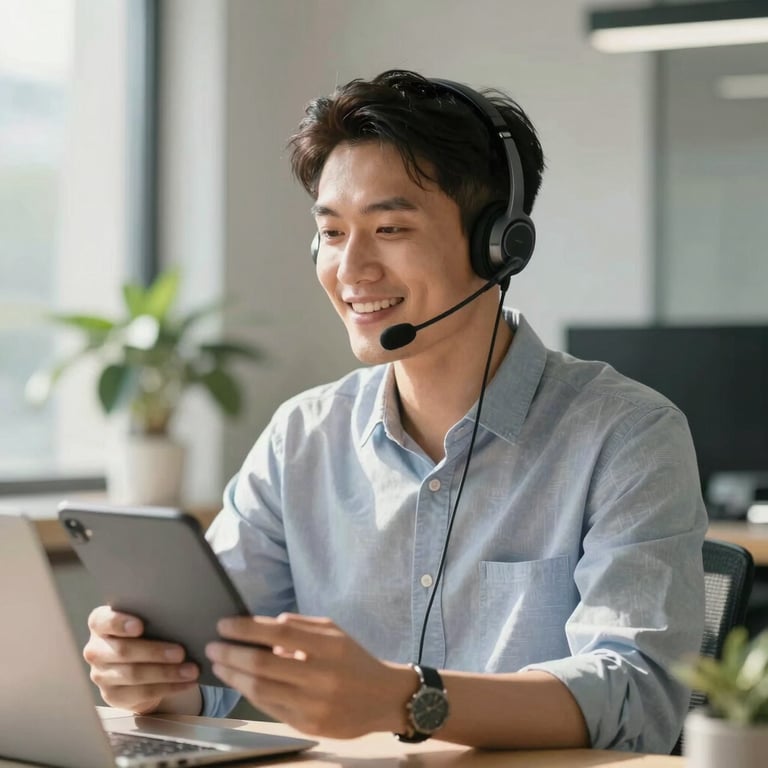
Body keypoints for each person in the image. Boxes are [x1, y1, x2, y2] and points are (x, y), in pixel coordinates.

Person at [83, 69, 707, 753]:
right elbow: (217, 662)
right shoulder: (303, 437)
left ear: (499, 245)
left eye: (388, 227)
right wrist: (151, 675)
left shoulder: (626, 434)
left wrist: (405, 699)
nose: (352, 268)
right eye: (331, 231)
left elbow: (635, 696)